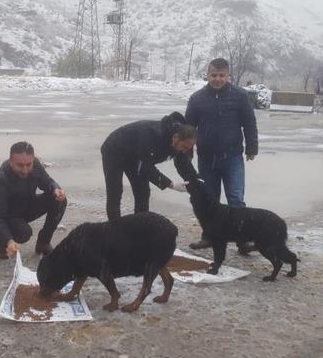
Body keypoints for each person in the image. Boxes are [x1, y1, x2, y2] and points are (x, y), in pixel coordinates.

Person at [185, 58, 259, 250]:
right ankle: (208, 237)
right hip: (207, 159)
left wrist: (252, 147)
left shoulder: (240, 96)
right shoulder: (197, 99)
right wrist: (187, 152)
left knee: (236, 199)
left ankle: (243, 240)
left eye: (221, 75)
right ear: (207, 75)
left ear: (228, 76)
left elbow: (249, 123)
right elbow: (188, 129)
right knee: (209, 200)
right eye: (213, 75)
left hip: (232, 157)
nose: (217, 79)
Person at [100, 111, 196, 220]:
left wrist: (195, 181)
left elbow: (183, 164)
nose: (185, 151)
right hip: (114, 150)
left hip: (137, 156)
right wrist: (171, 184)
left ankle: (140, 228)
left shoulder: (182, 141)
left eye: (188, 148)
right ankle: (114, 230)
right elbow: (146, 168)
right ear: (175, 138)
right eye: (184, 147)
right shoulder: (153, 135)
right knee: (115, 192)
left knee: (143, 192)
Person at [0, 141, 67, 260]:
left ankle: (43, 242)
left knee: (59, 200)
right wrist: (9, 240)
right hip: (9, 215)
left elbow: (48, 181)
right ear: (11, 161)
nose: (25, 170)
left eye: (29, 164)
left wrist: (56, 189)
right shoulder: (1, 179)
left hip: (27, 206)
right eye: (20, 165)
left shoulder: (35, 165)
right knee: (24, 233)